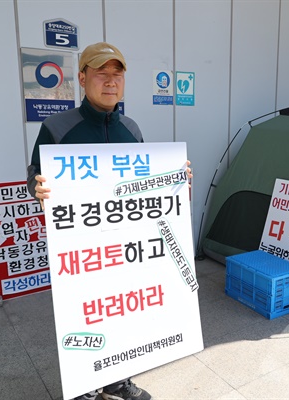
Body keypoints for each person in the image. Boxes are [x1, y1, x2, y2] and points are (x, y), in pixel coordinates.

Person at [28, 42, 191, 400]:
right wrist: (37, 188)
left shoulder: (131, 128)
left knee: (122, 312)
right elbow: (35, 177)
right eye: (101, 73)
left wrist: (175, 182)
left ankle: (118, 381)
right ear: (83, 78)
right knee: (84, 314)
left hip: (124, 244)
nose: (110, 81)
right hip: (81, 250)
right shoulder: (57, 128)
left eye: (117, 74)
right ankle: (85, 387)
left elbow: (144, 186)